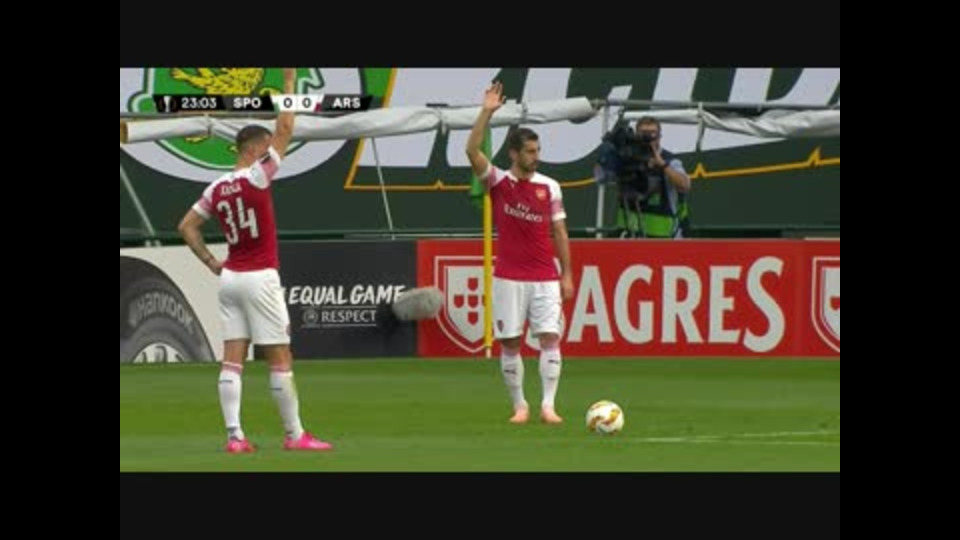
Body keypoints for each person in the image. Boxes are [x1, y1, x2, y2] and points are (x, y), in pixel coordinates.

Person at [177, 68, 332, 453]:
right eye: (265, 146)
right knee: (280, 356)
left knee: (233, 358)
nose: (269, 150)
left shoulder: (216, 188)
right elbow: (286, 126)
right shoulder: (258, 177)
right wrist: (289, 84)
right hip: (260, 276)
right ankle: (295, 435)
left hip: (230, 276)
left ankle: (235, 437)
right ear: (254, 148)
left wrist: (210, 261)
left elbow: (186, 226)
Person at [465, 81, 575, 424]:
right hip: (509, 277)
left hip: (545, 276)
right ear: (513, 154)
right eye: (529, 151)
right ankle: (520, 406)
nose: (535, 156)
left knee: (550, 337)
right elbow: (471, 150)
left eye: (537, 150)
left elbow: (560, 232)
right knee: (511, 342)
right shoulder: (498, 182)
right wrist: (486, 112)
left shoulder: (550, 186)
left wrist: (567, 275)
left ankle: (548, 406)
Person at [610, 116, 692, 238]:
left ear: (660, 136)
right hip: (632, 237)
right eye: (643, 134)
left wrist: (663, 165)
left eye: (652, 133)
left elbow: (685, 185)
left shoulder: (670, 160)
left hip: (664, 238)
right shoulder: (629, 159)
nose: (648, 138)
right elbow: (602, 178)